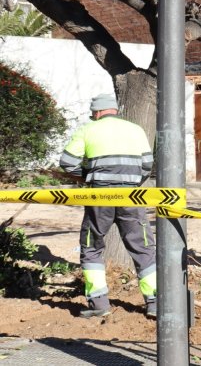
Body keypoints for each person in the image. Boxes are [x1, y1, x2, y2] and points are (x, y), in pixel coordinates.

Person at [59, 93, 156, 318]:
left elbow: (67, 162)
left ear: (97, 112)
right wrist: (131, 182)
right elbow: (147, 165)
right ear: (114, 110)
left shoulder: (88, 130)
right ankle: (154, 303)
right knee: (142, 247)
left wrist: (88, 176)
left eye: (93, 114)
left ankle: (99, 304)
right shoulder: (136, 130)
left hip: (99, 198)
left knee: (91, 246)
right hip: (130, 197)